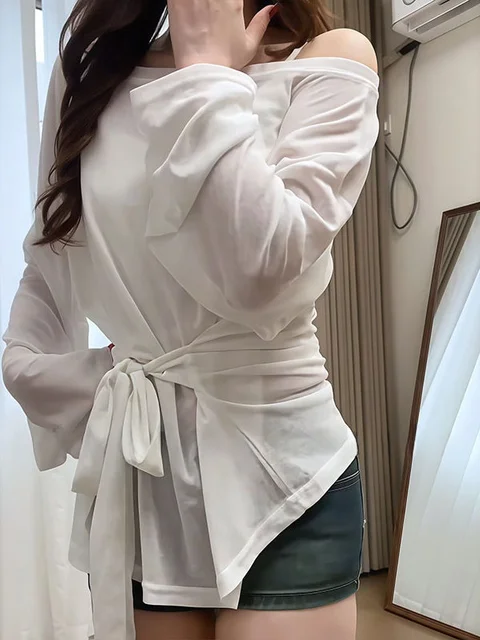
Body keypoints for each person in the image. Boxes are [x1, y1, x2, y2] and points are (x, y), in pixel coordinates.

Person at [2, 0, 379, 638]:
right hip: (143, 478)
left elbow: (259, 275)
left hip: (286, 478)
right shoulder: (92, 68)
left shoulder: (330, 56)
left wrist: (206, 70)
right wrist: (27, 366)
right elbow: (52, 253)